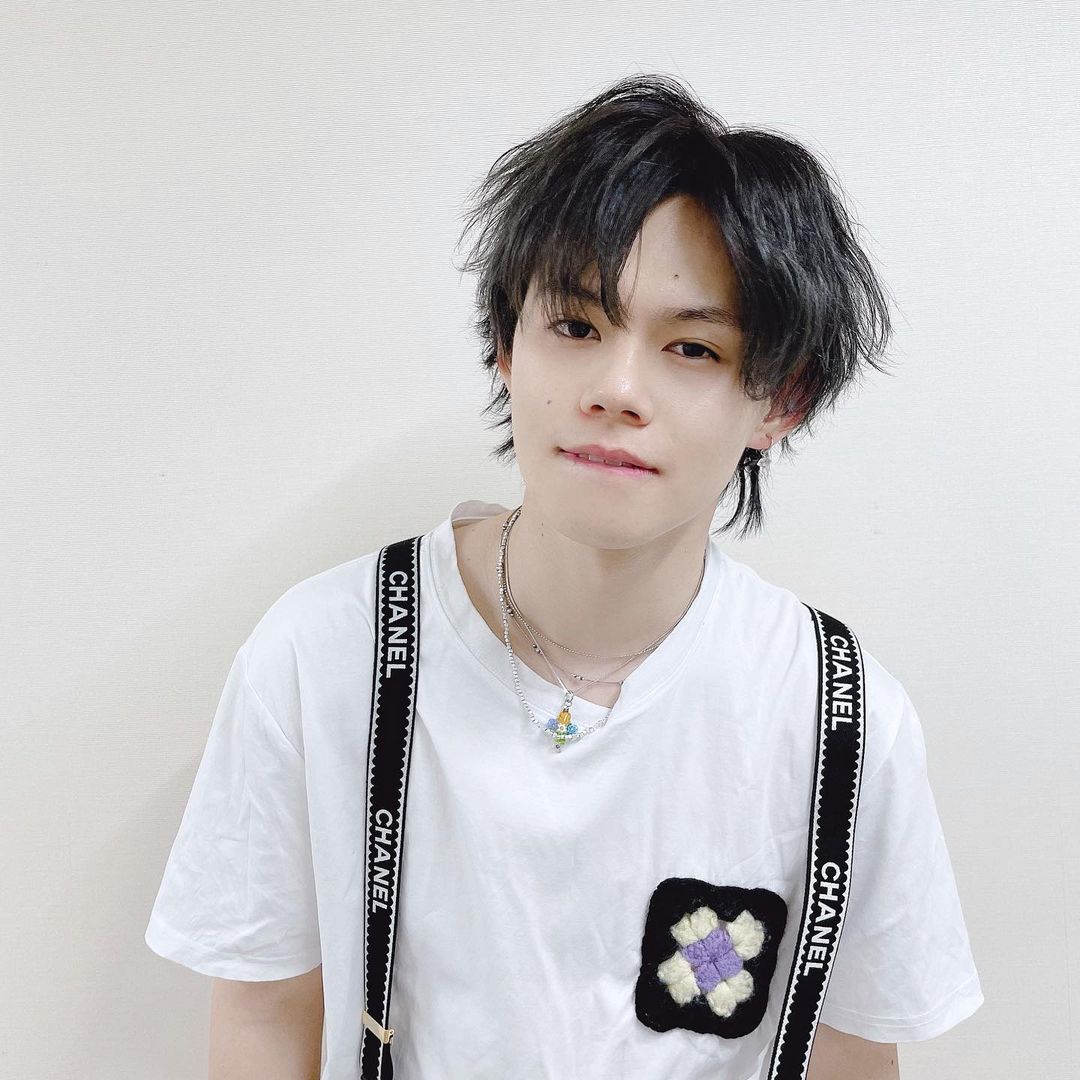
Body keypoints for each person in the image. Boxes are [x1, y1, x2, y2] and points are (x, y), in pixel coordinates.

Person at [145, 74, 984, 1080]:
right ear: (507, 346)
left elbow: (848, 1052)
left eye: (692, 347)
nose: (618, 391)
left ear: (781, 399)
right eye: (577, 328)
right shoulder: (323, 654)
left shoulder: (840, 718)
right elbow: (265, 1014)